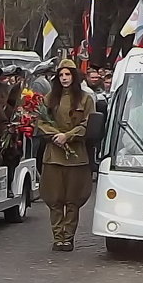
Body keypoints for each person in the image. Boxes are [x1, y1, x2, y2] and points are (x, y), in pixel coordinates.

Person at [37, 59, 95, 252]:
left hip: (76, 157)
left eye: (67, 74)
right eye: (61, 75)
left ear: (74, 76)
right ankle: (57, 237)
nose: (64, 78)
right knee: (54, 200)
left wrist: (68, 136)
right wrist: (55, 136)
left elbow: (89, 123)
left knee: (72, 200)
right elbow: (40, 122)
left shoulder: (86, 99)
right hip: (53, 155)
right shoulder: (49, 98)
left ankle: (68, 238)